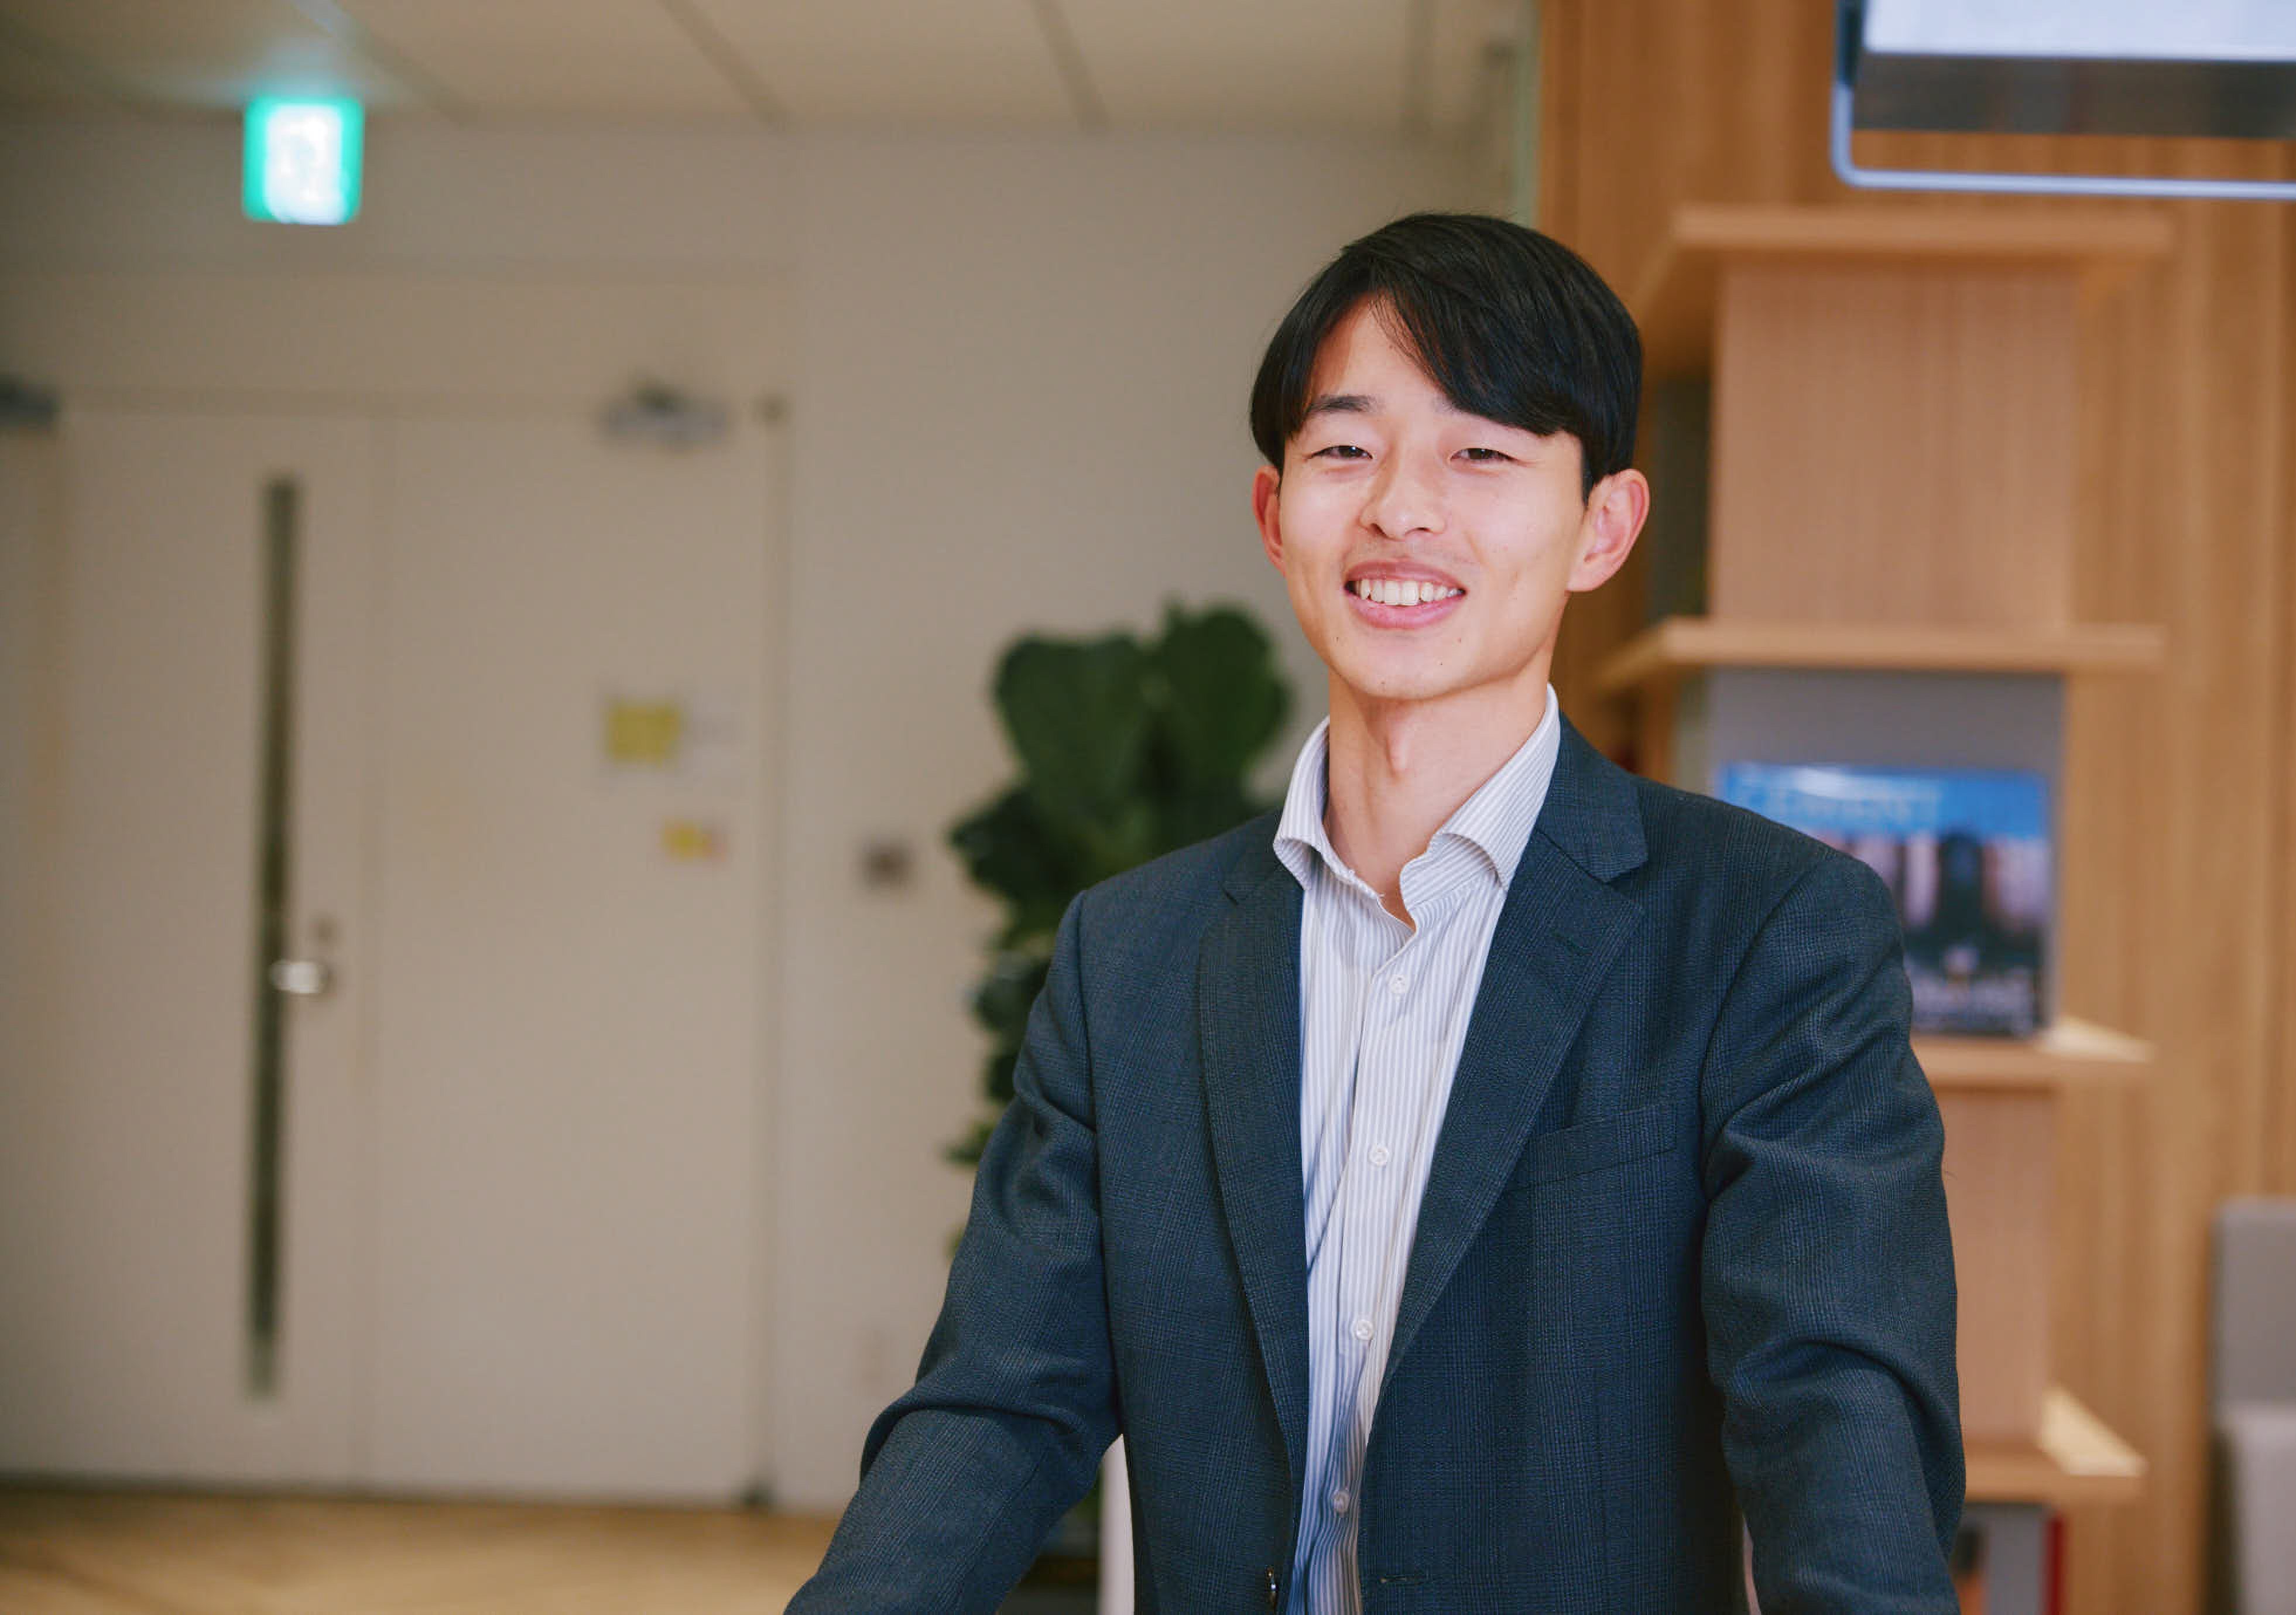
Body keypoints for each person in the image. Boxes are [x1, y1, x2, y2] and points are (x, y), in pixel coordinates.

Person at [787, 213, 1962, 1614]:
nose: (1403, 507)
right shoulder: (1133, 955)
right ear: (1274, 512)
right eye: (1346, 448)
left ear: (1602, 527)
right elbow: (999, 1403)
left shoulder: (1767, 932)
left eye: (1482, 452)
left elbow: (1834, 1415)